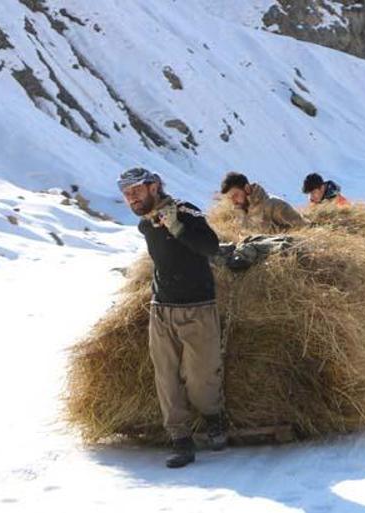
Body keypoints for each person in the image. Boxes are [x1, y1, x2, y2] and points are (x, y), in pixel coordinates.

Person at [117, 167, 227, 469]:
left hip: (198, 307)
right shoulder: (146, 224)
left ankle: (213, 418)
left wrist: (177, 227)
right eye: (126, 195)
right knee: (166, 377)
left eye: (136, 191)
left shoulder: (186, 212)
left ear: (154, 187)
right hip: (161, 309)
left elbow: (210, 247)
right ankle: (180, 439)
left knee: (200, 378)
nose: (131, 199)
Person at [220, 172, 307, 231]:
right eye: (230, 198)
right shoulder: (238, 212)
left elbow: (304, 228)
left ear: (246, 188)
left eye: (235, 195)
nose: (233, 201)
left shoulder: (274, 206)